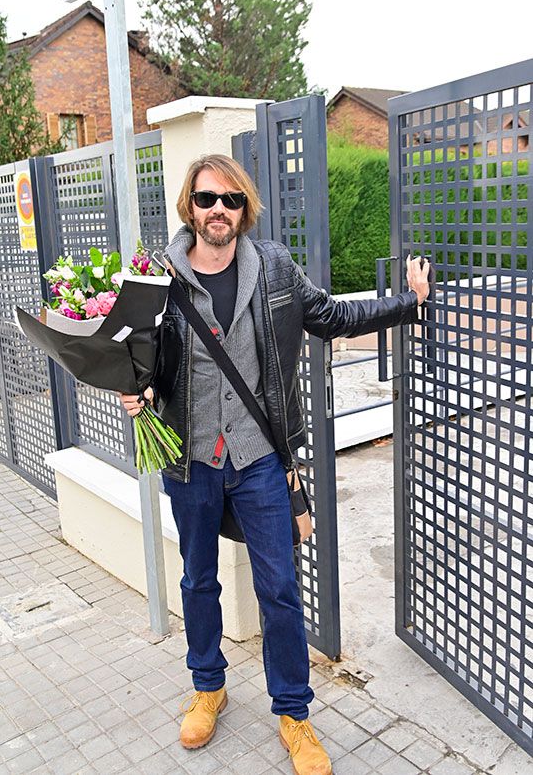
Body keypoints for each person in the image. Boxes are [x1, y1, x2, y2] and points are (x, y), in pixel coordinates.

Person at [119, 154, 430, 775]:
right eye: (208, 198)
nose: (219, 211)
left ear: (244, 209)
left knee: (280, 589)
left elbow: (335, 318)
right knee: (197, 580)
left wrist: (407, 304)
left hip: (261, 457)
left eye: (231, 201)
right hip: (191, 458)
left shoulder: (276, 270)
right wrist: (134, 388)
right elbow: (134, 353)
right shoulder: (157, 277)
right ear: (190, 204)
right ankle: (208, 686)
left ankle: (294, 713)